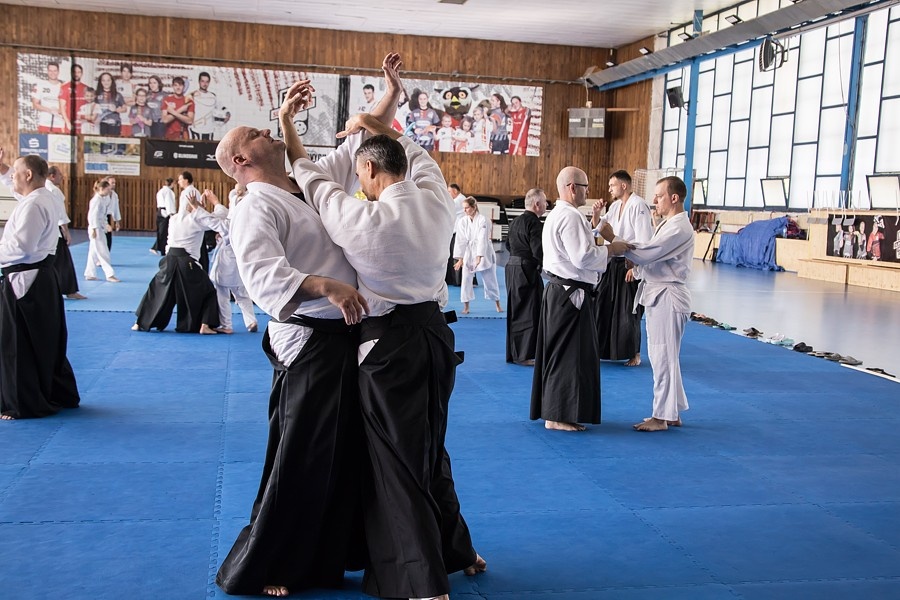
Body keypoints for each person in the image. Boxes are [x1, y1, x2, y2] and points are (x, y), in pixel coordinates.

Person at [282, 56, 484, 600]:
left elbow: (311, 178)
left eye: (363, 174)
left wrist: (285, 126)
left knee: (396, 460)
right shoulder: (439, 201)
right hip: (437, 338)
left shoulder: (362, 218)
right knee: (431, 447)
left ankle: (423, 580)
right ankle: (457, 549)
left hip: (387, 346)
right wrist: (386, 107)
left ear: (367, 172)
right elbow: (413, 153)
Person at [213, 99, 369, 600]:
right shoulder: (255, 204)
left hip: (343, 335)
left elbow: (353, 150)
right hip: (309, 339)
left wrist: (385, 96)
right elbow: (261, 278)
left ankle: (333, 552)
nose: (269, 132)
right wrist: (325, 285)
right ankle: (270, 561)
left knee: (344, 450)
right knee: (302, 450)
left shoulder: (300, 185)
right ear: (241, 161)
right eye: (256, 133)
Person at [529, 167, 629, 432]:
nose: (588, 190)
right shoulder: (570, 216)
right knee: (569, 357)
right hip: (569, 295)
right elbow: (582, 257)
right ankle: (558, 415)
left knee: (563, 354)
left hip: (560, 292)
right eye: (585, 185)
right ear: (573, 187)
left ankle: (555, 412)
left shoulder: (557, 214)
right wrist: (610, 249)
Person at [606, 176, 694, 432]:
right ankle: (673, 410)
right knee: (666, 356)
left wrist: (615, 242)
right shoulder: (668, 224)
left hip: (668, 297)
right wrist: (637, 263)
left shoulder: (678, 227)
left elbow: (648, 252)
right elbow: (651, 254)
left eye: (659, 195)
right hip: (661, 294)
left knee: (662, 357)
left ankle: (660, 416)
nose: (654, 200)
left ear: (674, 198)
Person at [0, 150, 80, 420]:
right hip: (38, 279)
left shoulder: (35, 203)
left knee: (18, 344)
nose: (12, 178)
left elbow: (22, 247)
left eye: (15, 174)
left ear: (29, 174)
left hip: (25, 279)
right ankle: (56, 392)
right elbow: (16, 194)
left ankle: (22, 403)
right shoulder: (42, 196)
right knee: (45, 341)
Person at [131, 190, 221, 334]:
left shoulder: (173, 219)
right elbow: (217, 221)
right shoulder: (197, 219)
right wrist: (210, 205)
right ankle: (205, 325)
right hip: (187, 262)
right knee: (208, 291)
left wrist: (199, 209)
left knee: (158, 290)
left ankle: (140, 322)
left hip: (169, 259)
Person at [591, 170, 653, 367]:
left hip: (629, 262)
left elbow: (644, 240)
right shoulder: (616, 205)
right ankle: (605, 349)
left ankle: (634, 352)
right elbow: (601, 227)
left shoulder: (639, 205)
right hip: (612, 262)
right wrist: (596, 214)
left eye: (612, 185)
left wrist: (635, 266)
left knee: (628, 311)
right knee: (603, 306)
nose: (609, 189)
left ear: (623, 185)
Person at [196, 187, 259, 334]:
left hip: (228, 259)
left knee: (222, 292)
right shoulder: (249, 220)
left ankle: (227, 325)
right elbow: (224, 216)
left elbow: (213, 221)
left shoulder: (233, 223)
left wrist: (200, 206)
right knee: (241, 293)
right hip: (242, 259)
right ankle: (251, 321)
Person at [505, 187, 547, 365]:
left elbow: (507, 245)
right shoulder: (535, 223)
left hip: (511, 268)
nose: (546, 205)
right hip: (526, 269)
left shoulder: (515, 221)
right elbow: (539, 250)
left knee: (515, 310)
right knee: (530, 311)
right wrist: (545, 266)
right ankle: (526, 354)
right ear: (537, 204)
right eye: (545, 202)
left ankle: (514, 353)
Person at [453, 196, 502, 314]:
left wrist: (479, 256)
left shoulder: (483, 220)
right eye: (463, 208)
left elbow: (482, 238)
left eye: (467, 208)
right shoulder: (462, 221)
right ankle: (466, 307)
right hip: (469, 252)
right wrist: (460, 259)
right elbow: (460, 240)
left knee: (490, 279)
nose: (464, 210)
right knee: (465, 279)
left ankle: (497, 304)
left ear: (474, 207)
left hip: (484, 251)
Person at [45, 166, 86, 300]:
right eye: (60, 175)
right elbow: (60, 213)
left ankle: (54, 291)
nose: (62, 177)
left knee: (48, 262)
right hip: (54, 232)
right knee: (64, 262)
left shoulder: (40, 188)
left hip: (43, 233)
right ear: (52, 176)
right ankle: (70, 291)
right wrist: (66, 231)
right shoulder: (53, 190)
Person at [84, 180, 119, 283]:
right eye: (107, 189)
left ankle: (89, 274)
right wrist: (94, 229)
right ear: (101, 189)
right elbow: (92, 216)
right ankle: (110, 274)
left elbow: (102, 216)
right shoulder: (96, 200)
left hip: (100, 227)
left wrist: (106, 225)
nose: (109, 191)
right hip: (95, 229)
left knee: (93, 253)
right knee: (103, 252)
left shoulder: (102, 200)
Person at [31, 61, 66, 133]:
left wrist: (59, 111)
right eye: (50, 70)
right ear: (47, 71)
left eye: (55, 71)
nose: (52, 73)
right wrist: (49, 110)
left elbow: (67, 105)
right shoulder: (40, 85)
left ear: (58, 72)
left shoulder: (64, 87)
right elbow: (35, 104)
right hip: (44, 122)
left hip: (60, 124)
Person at [190, 71, 226, 139]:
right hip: (196, 129)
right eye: (202, 81)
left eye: (207, 81)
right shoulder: (192, 95)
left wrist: (227, 115)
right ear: (199, 82)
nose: (205, 84)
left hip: (209, 131)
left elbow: (223, 108)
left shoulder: (213, 96)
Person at [58, 63, 89, 134]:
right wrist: (67, 122)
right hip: (70, 123)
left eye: (79, 72)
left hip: (83, 124)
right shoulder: (65, 87)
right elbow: (62, 107)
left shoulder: (86, 88)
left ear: (82, 73)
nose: (76, 74)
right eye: (74, 72)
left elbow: (90, 105)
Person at [94, 72, 125, 136]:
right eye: (104, 80)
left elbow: (125, 109)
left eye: (108, 80)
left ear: (111, 81)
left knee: (114, 144)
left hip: (114, 124)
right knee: (102, 144)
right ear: (101, 82)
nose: (106, 82)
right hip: (101, 124)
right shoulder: (96, 94)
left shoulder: (118, 95)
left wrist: (116, 110)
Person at [152, 178, 176, 256]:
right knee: (164, 231)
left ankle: (159, 248)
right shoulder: (168, 192)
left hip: (159, 211)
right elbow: (169, 203)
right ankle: (157, 248)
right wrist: (172, 214)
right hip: (165, 212)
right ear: (171, 184)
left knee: (161, 231)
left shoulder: (161, 191)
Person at [103, 176, 121, 251]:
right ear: (107, 183)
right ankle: (100, 258)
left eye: (114, 183)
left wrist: (117, 221)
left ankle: (106, 255)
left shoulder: (114, 195)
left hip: (109, 217)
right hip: (101, 217)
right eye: (112, 183)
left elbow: (116, 208)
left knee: (108, 238)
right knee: (102, 238)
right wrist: (105, 223)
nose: (114, 184)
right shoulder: (103, 194)